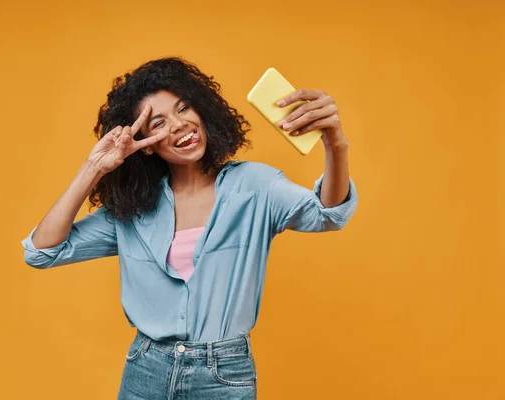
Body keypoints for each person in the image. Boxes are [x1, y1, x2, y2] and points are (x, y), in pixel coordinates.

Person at [21, 57, 358, 399]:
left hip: (224, 374)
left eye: (184, 108)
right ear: (146, 143)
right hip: (146, 370)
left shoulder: (256, 187)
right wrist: (93, 168)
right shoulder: (133, 210)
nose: (180, 124)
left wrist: (335, 146)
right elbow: (42, 251)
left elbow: (328, 214)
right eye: (159, 123)